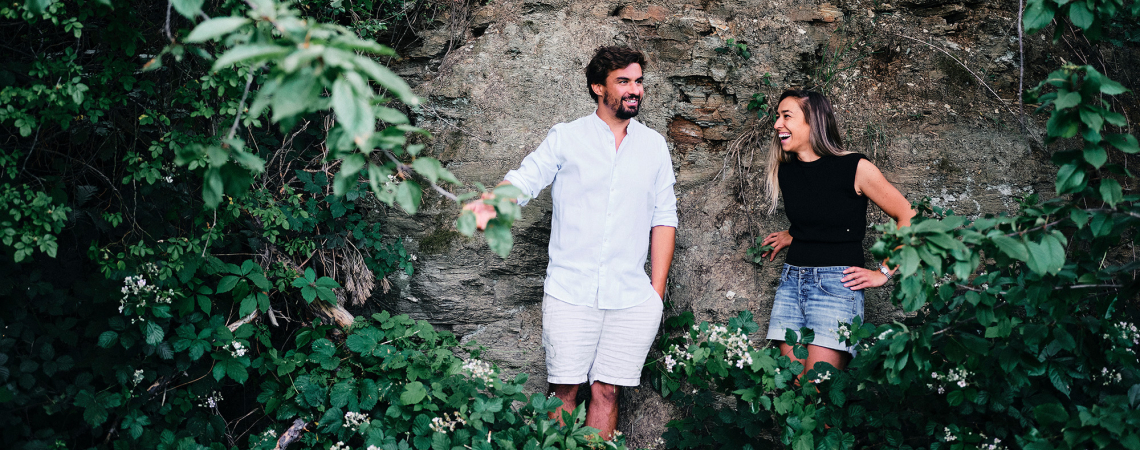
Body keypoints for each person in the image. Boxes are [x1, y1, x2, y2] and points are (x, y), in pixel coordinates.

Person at [463, 46, 677, 440]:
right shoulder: (567, 137)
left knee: (607, 391)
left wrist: (656, 295)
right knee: (564, 390)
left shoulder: (654, 147)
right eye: (624, 81)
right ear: (598, 87)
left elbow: (664, 218)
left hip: (630, 296)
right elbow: (526, 178)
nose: (635, 90)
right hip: (570, 291)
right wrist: (491, 203)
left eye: (639, 81)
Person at [758, 89, 914, 378]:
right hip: (792, 283)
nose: (777, 124)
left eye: (786, 116)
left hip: (835, 286)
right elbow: (825, 213)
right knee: (795, 388)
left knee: (818, 389)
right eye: (777, 117)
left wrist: (885, 272)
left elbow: (907, 215)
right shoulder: (787, 170)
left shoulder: (854, 167)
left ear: (813, 121)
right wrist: (795, 234)